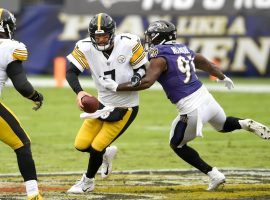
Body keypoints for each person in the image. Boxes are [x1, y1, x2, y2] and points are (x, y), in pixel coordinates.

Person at [99, 20, 270, 190]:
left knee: (177, 145)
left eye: (151, 36)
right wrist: (222, 76)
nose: (149, 39)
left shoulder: (159, 55)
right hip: (207, 99)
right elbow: (204, 62)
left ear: (159, 37)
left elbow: (147, 82)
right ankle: (245, 123)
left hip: (191, 108)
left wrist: (117, 87)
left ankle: (213, 174)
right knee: (223, 125)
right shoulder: (182, 48)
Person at [66, 13, 148, 193]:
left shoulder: (129, 43)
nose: (101, 39)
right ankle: (106, 154)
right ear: (91, 36)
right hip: (101, 104)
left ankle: (87, 182)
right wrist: (79, 92)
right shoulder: (85, 47)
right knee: (81, 145)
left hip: (125, 106)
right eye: (97, 36)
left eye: (104, 35)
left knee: (97, 147)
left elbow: (142, 68)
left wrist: (136, 77)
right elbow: (71, 72)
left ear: (112, 33)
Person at [0, 8, 44, 199]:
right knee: (22, 144)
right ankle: (33, 194)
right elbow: (22, 85)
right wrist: (35, 96)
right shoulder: (9, 47)